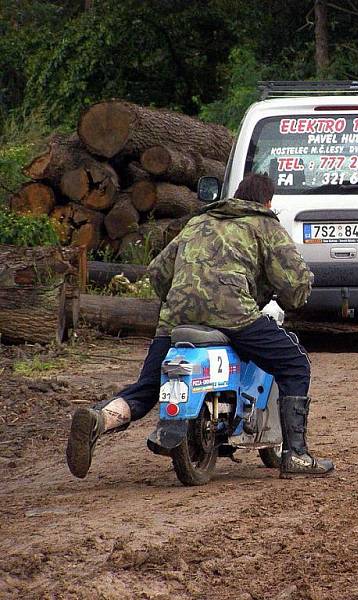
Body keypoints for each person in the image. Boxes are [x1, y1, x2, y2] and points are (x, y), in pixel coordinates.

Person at [66, 173, 334, 479]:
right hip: (235, 316)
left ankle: (99, 419)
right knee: (295, 364)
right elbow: (295, 283)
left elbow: (157, 273)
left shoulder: (198, 222)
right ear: (267, 201)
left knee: (148, 388)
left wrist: (180, 302)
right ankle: (296, 455)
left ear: (235, 196)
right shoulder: (264, 224)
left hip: (177, 321)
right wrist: (291, 297)